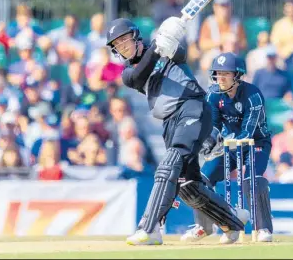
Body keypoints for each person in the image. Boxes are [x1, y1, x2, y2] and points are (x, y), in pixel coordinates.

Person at [106, 17, 249, 246]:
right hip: (169, 122)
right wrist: (156, 47)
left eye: (124, 40)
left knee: (169, 163)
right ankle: (232, 220)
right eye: (117, 45)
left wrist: (170, 41)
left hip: (192, 107)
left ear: (135, 36)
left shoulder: (166, 47)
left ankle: (150, 228)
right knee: (187, 185)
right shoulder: (128, 73)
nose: (122, 46)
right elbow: (140, 75)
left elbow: (180, 54)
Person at [181, 52, 274, 243]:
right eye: (218, 73)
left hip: (256, 144)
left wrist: (224, 142)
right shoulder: (214, 94)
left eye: (226, 74)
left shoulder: (253, 95)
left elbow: (248, 131)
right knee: (202, 179)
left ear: (237, 75)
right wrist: (208, 141)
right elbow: (213, 124)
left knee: (251, 179)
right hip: (231, 145)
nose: (220, 78)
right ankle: (206, 226)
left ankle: (262, 227)